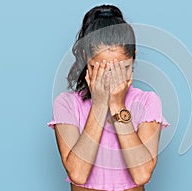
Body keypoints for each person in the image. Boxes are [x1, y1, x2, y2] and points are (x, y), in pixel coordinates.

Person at [47, 4, 170, 191]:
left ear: (133, 59)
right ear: (86, 62)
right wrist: (99, 104)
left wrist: (117, 104)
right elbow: (78, 174)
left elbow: (142, 174)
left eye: (121, 69)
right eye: (102, 70)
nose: (111, 78)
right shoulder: (67, 104)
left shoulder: (148, 102)